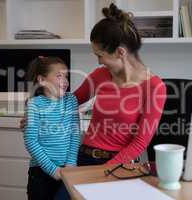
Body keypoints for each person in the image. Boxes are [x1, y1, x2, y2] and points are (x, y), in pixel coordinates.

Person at [21, 3, 166, 167]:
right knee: (62, 193)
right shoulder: (100, 75)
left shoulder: (155, 87)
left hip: (119, 164)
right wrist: (36, 114)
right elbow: (67, 103)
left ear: (120, 53)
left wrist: (104, 171)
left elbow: (140, 143)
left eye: (100, 55)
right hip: (84, 157)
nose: (98, 62)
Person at [24, 56, 80, 200]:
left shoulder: (71, 100)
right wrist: (52, 169)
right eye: (59, 76)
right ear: (42, 80)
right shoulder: (34, 104)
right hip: (41, 172)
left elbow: (75, 134)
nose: (65, 81)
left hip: (67, 170)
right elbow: (31, 141)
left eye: (66, 76)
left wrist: (71, 164)